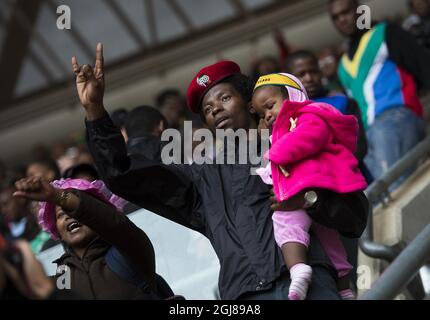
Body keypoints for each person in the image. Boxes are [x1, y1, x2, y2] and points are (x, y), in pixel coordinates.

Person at [72, 43, 369, 300]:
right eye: (207, 108)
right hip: (243, 296)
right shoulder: (200, 177)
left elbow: (355, 216)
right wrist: (95, 111)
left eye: (224, 98)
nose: (215, 109)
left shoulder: (297, 142)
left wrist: (310, 200)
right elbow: (123, 174)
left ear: (251, 104)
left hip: (310, 283)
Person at [251, 73, 366, 300]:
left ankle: (299, 269)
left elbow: (309, 137)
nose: (269, 115)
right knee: (330, 242)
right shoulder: (282, 133)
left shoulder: (308, 115)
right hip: (311, 190)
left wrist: (275, 153)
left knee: (285, 221)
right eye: (263, 114)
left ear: (292, 95)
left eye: (271, 106)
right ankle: (344, 289)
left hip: (312, 189)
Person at [12, 176, 163, 300]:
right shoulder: (64, 273)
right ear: (56, 230)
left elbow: (115, 224)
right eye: (60, 215)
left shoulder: (129, 251)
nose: (69, 216)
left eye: (73, 210)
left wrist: (57, 196)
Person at [329, 0, 428, 184]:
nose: (342, 19)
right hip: (368, 136)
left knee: (394, 188)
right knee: (381, 199)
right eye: (336, 17)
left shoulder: (385, 33)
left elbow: (423, 65)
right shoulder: (342, 64)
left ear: (360, 11)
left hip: (396, 117)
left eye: (346, 12)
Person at [286, 49, 372, 183]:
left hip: (356, 180)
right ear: (290, 79)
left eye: (313, 71)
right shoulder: (288, 115)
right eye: (301, 74)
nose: (309, 78)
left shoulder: (343, 102)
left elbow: (359, 146)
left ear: (320, 73)